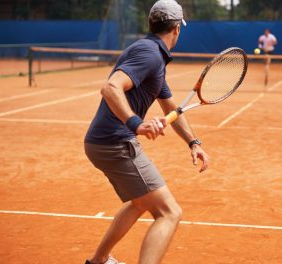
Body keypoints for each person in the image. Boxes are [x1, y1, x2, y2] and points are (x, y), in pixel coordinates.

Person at [83, 1, 209, 263]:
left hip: (101, 142)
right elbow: (110, 88)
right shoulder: (150, 54)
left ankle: (99, 260)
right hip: (116, 143)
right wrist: (136, 124)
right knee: (169, 212)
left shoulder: (153, 57)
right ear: (176, 29)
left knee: (140, 202)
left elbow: (172, 109)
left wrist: (193, 142)